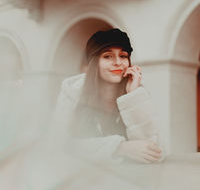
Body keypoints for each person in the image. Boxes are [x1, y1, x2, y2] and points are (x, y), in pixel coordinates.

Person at [49, 28, 163, 164]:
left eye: (123, 56)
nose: (118, 62)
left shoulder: (136, 94)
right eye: (108, 56)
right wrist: (119, 147)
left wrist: (132, 96)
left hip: (128, 180)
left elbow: (153, 151)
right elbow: (57, 145)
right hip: (83, 179)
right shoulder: (73, 93)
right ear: (94, 63)